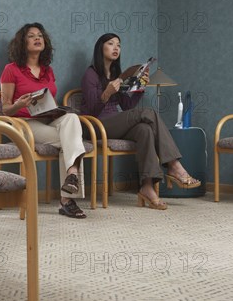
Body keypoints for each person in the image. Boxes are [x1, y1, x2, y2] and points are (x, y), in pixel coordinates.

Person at [80, 33, 201, 210]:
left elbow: (127, 106)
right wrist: (106, 93)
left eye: (119, 45)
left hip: (115, 123)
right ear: (101, 48)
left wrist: (140, 88)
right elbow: (92, 109)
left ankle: (147, 186)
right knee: (149, 113)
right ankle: (174, 165)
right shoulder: (90, 74)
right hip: (95, 126)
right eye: (111, 43)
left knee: (144, 129)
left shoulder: (116, 74)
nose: (116, 48)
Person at [0, 23, 87, 219]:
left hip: (47, 119)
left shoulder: (48, 70)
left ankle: (71, 177)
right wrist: (18, 104)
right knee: (71, 140)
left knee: (72, 118)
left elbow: (49, 100)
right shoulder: (11, 69)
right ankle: (67, 200)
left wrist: (55, 111)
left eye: (40, 35)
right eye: (31, 36)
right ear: (22, 43)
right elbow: (4, 109)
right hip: (24, 124)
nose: (37, 38)